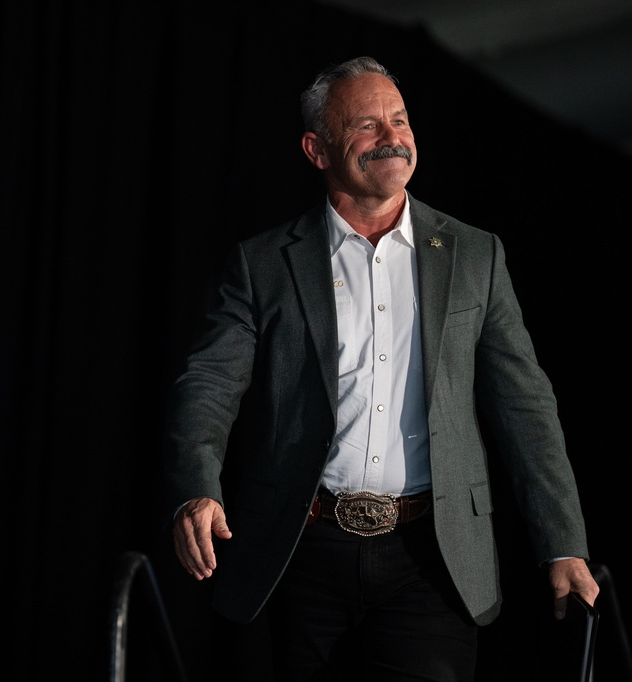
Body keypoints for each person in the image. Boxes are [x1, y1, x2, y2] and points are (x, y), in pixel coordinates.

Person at [163, 56, 599, 681]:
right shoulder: (262, 264)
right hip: (299, 549)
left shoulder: (475, 254)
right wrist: (196, 486)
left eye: (399, 119)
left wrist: (562, 542)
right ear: (317, 149)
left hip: (431, 556)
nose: (392, 137)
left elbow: (525, 405)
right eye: (366, 125)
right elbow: (207, 384)